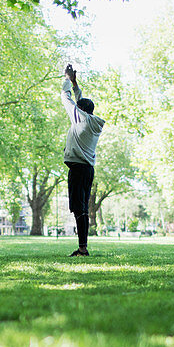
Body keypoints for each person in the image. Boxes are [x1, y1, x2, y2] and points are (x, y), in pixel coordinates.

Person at [60, 63, 105, 256]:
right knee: (82, 208)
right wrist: (76, 82)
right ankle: (82, 246)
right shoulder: (92, 121)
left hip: (78, 170)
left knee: (79, 208)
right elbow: (80, 102)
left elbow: (66, 97)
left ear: (81, 110)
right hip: (87, 169)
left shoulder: (80, 118)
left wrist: (66, 80)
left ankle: (82, 248)